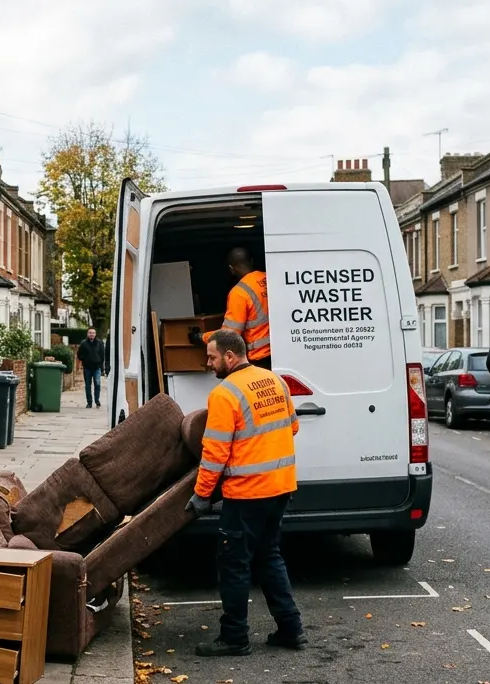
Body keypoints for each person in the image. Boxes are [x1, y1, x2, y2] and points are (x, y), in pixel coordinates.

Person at [186, 329, 304, 656]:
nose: (207, 363)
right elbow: (293, 426)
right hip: (280, 487)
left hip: (247, 493)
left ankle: (235, 637)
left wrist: (202, 495)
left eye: (211, 357)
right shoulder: (275, 381)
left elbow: (215, 454)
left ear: (229, 356)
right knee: (269, 555)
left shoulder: (225, 394)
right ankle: (290, 629)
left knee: (234, 562)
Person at [194, 248, 271, 369]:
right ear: (251, 261)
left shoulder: (239, 293)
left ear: (231, 268)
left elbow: (229, 335)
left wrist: (201, 337)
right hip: (279, 352)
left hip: (260, 358)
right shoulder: (269, 278)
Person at [76, 328, 107, 409]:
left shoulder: (100, 343)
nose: (91, 334)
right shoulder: (83, 343)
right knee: (88, 385)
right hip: (87, 368)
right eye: (90, 333)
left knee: (97, 384)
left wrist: (102, 367)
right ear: (87, 334)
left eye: (93, 333)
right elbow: (79, 354)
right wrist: (84, 360)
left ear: (95, 334)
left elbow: (102, 355)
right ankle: (89, 402)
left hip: (97, 367)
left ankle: (97, 401)